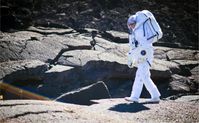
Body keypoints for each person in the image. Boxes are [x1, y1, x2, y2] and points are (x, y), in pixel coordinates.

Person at [125, 10, 161, 103]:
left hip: (145, 56)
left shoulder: (140, 31)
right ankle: (155, 96)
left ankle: (134, 97)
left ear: (135, 23)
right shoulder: (136, 31)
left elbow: (142, 46)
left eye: (132, 24)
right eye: (129, 25)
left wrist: (134, 57)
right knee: (145, 77)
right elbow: (134, 47)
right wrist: (131, 59)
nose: (131, 26)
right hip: (143, 56)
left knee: (140, 75)